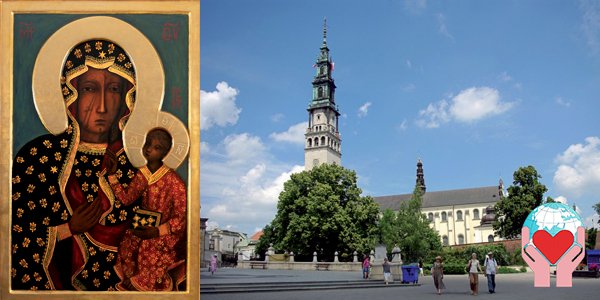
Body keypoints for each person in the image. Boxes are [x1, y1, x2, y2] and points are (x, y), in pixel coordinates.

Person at [11, 39, 140, 290]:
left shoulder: (132, 167)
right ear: (71, 94)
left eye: (113, 89)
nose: (102, 106)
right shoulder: (38, 158)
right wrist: (68, 228)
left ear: (127, 98)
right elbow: (16, 238)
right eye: (90, 89)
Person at [108, 128, 187, 291]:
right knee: (129, 239)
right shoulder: (142, 174)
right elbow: (126, 198)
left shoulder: (174, 182)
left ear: (165, 152)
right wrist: (112, 175)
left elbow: (181, 218)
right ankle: (131, 279)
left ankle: (143, 282)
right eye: (148, 144)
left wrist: (157, 231)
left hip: (165, 233)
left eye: (157, 147)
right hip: (145, 225)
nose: (149, 149)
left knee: (150, 246)